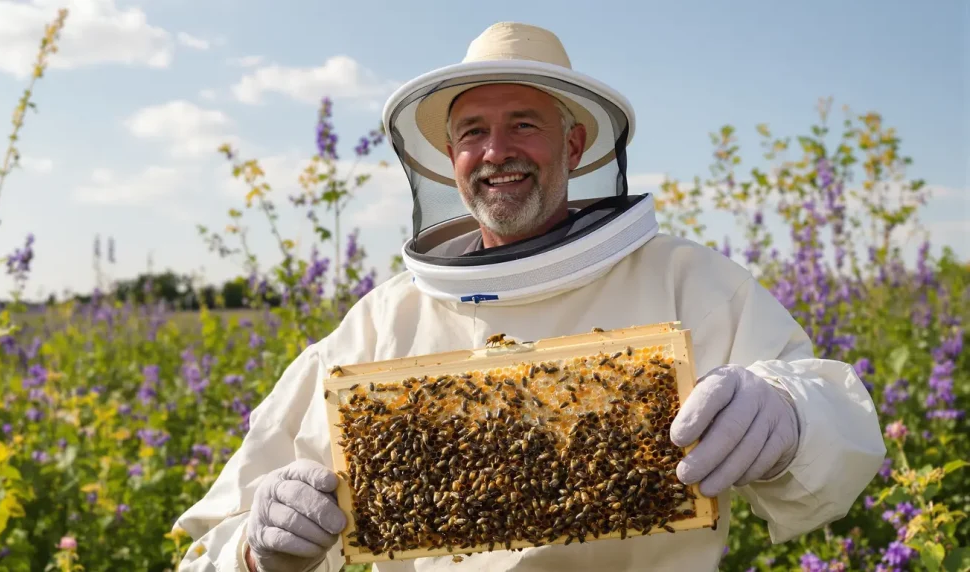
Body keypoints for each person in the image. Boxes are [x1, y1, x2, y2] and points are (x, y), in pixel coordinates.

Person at [174, 22, 886, 572]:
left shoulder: (686, 281)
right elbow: (218, 538)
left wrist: (790, 415)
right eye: (472, 133)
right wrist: (258, 548)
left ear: (573, 146)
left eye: (523, 124)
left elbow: (840, 431)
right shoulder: (381, 323)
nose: (495, 152)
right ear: (450, 160)